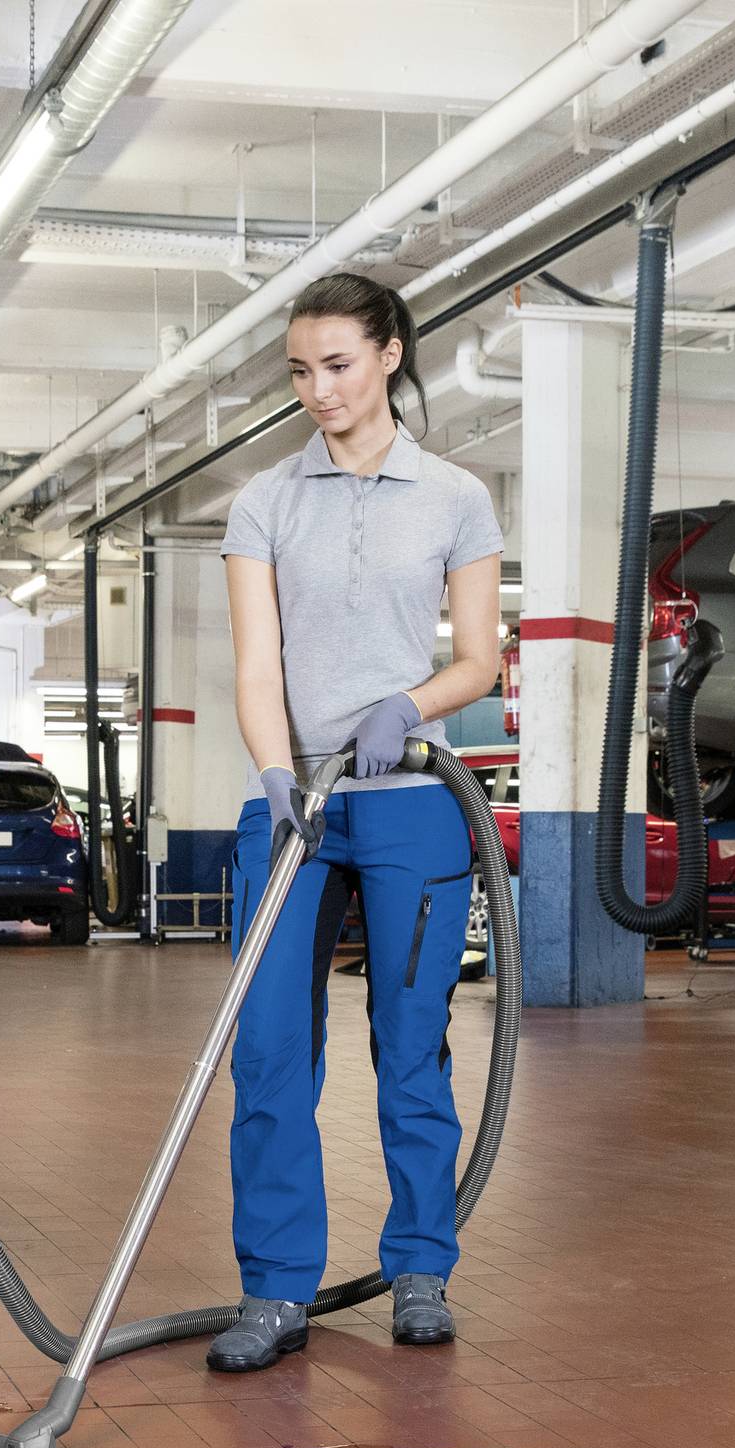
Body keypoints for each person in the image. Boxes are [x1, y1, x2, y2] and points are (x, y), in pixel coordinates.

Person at [209, 272, 503, 1373]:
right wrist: (276, 773)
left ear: (388, 354)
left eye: (336, 365)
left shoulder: (455, 497)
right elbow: (255, 662)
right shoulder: (264, 501)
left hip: (412, 802)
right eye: (299, 370)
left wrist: (409, 706)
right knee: (272, 1048)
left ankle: (420, 1267)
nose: (316, 390)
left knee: (410, 1048)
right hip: (296, 802)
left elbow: (477, 658)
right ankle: (275, 1289)